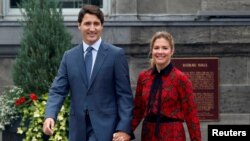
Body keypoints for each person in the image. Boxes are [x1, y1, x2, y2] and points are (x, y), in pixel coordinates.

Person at [43, 5, 134, 141]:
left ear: (102, 26)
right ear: (79, 25)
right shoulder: (69, 57)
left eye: (96, 24)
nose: (92, 28)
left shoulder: (116, 55)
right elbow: (58, 90)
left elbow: (125, 96)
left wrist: (124, 129)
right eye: (87, 24)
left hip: (107, 131)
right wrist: (50, 115)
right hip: (78, 131)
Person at [131, 31, 201, 141]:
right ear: (152, 50)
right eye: (156, 48)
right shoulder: (143, 77)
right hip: (148, 134)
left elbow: (191, 114)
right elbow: (137, 110)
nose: (160, 52)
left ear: (172, 51)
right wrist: (125, 132)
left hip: (173, 134)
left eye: (165, 48)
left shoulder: (181, 78)